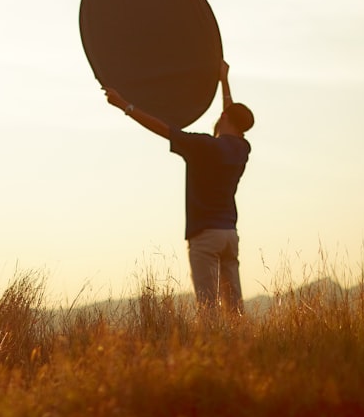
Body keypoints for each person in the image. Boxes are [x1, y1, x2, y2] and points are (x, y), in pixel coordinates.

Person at [105, 61, 254, 315]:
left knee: (208, 309)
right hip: (229, 234)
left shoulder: (202, 147)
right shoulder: (242, 149)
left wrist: (125, 106)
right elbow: (229, 117)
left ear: (224, 118)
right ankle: (240, 349)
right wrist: (224, 82)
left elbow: (163, 129)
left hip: (205, 235)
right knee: (234, 309)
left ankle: (215, 351)